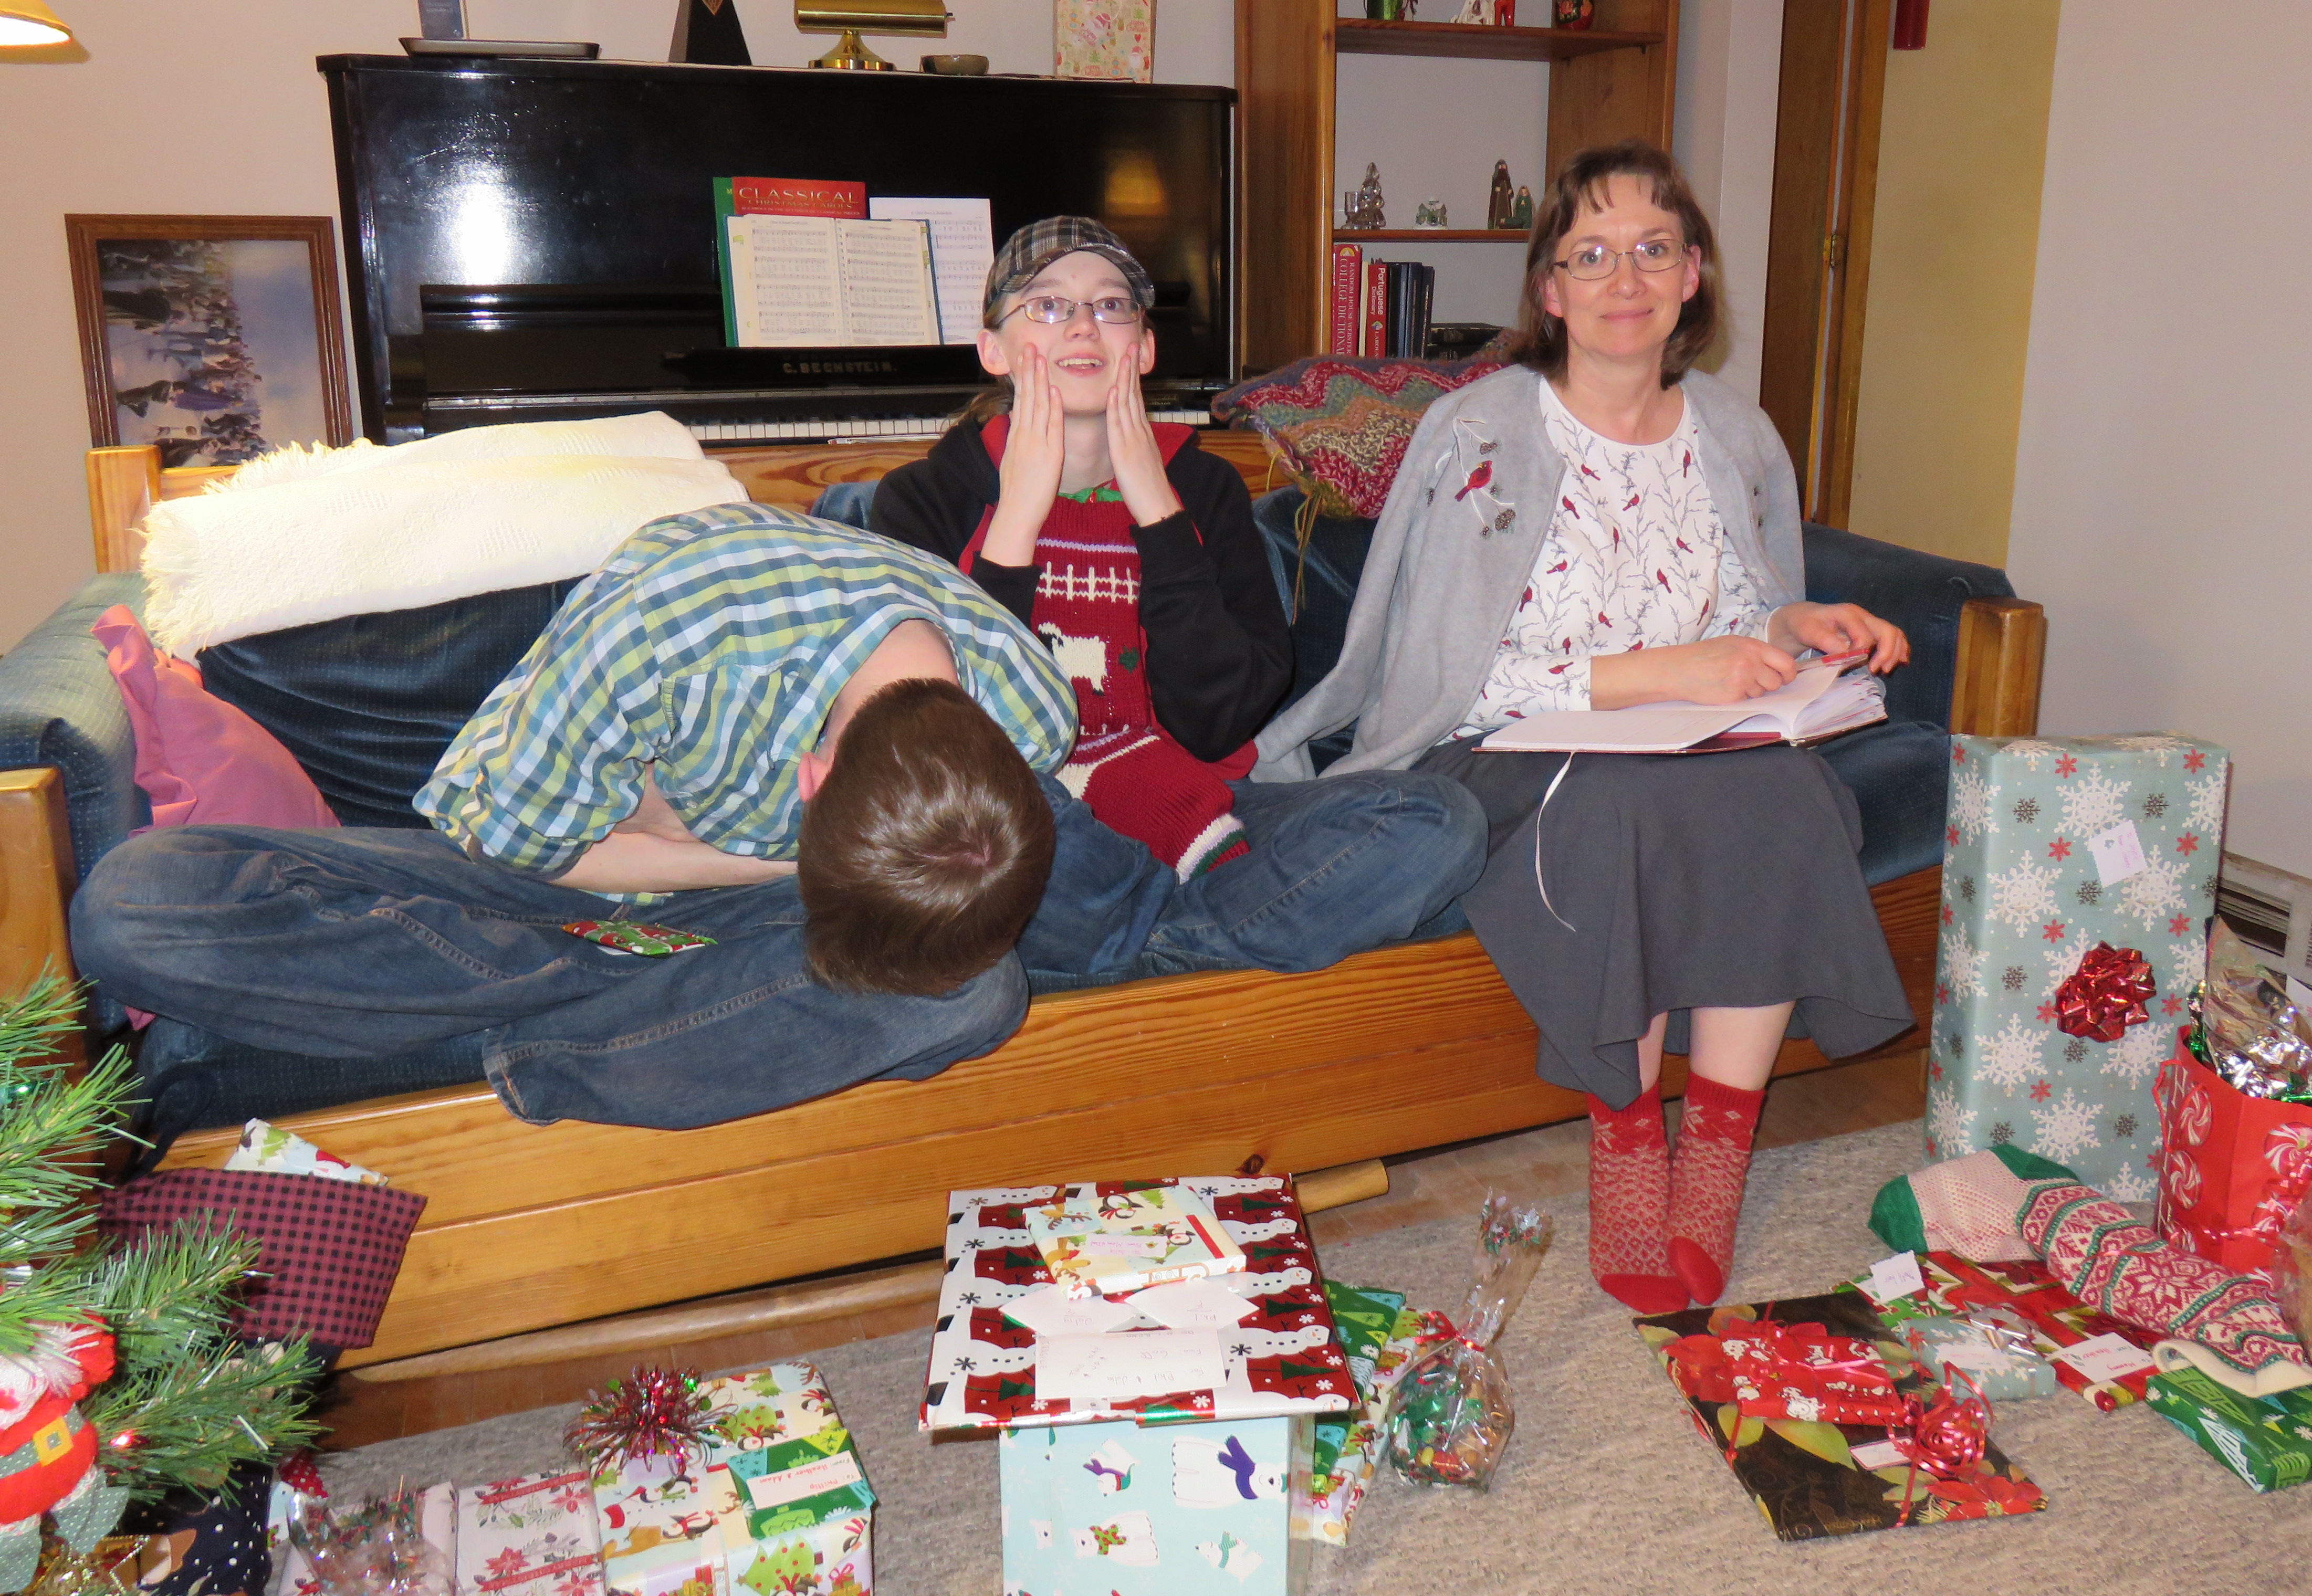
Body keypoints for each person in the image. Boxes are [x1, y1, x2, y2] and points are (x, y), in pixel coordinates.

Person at [1253, 141, 1915, 1311]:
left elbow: (1743, 607)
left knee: (1783, 792)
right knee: (1620, 805)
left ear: (1692, 275)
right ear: (1549, 290)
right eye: (1591, 255)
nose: (1626, 278)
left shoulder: (1735, 431)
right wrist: (1663, 673)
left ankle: (1715, 1150)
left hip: (1687, 737)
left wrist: (1795, 623)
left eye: (1653, 250)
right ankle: (1627, 1136)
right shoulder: (1478, 434)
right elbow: (1449, 681)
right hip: (1504, 750)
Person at [71, 504, 1073, 1130]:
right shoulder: (675, 622)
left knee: (976, 991)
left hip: (729, 916)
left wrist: (675, 830)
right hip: (525, 881)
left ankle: (543, 1040)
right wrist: (771, 866)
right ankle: (619, 1028)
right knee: (135, 904)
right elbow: (521, 845)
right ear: (811, 779)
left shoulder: (1033, 713)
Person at [871, 217, 1289, 879]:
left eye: (1112, 304)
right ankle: (1173, 905)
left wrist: (1159, 515)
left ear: (1144, 349)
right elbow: (939, 738)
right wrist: (1017, 519)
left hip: (1201, 800)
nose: (1085, 325)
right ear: (993, 350)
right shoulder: (923, 499)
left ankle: (1157, 905)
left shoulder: (1206, 489)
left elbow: (1217, 725)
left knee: (1429, 817)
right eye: (1048, 305)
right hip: (1011, 813)